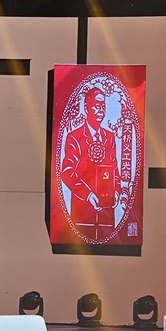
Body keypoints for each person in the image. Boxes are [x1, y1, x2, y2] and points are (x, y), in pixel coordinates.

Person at [61, 86, 122, 241]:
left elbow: (114, 169)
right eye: (96, 105)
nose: (101, 109)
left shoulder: (109, 137)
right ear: (86, 108)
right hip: (83, 212)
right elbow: (67, 172)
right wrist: (88, 195)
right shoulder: (74, 137)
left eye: (103, 106)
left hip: (107, 213)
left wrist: (116, 191)